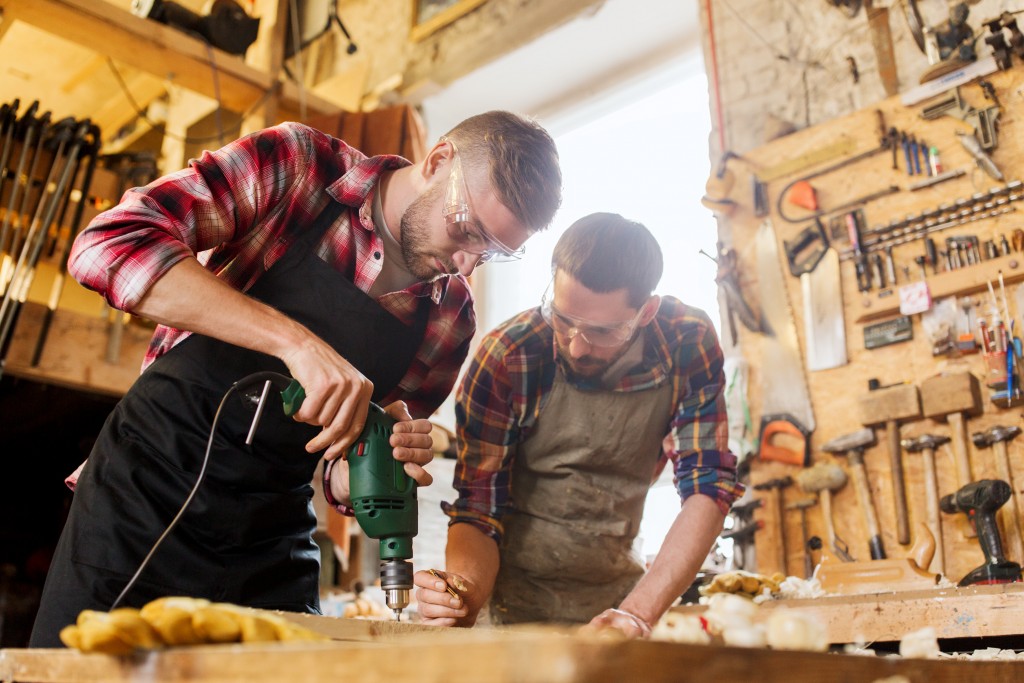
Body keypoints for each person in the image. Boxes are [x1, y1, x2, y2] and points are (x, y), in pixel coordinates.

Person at [29, 111, 562, 647]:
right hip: (146, 498)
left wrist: (366, 471)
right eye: (465, 229)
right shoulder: (300, 166)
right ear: (439, 161)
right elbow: (110, 246)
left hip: (271, 533)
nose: (466, 263)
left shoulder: (450, 319)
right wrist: (295, 343)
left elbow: (336, 467)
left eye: (491, 252)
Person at [414, 213, 743, 638]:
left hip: (621, 598)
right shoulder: (508, 356)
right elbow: (478, 510)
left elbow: (707, 485)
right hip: (512, 606)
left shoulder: (686, 340)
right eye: (563, 319)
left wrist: (637, 615)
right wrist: (464, 595)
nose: (576, 345)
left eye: (602, 332)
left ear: (646, 313)